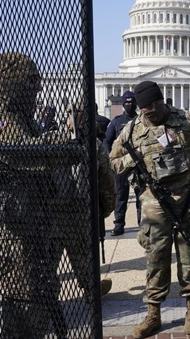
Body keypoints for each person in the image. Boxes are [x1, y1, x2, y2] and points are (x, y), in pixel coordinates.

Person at [0, 53, 75, 338]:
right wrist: (65, 140)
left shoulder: (21, 119)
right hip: (13, 235)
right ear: (14, 84)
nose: (37, 89)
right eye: (31, 82)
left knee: (38, 305)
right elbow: (27, 154)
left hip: (31, 228)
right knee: (23, 311)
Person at [109, 80, 190, 339]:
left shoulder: (186, 120)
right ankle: (153, 313)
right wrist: (133, 157)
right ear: (140, 107)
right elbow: (113, 162)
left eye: (158, 103)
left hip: (186, 198)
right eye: (149, 106)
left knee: (189, 257)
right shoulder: (131, 130)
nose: (155, 108)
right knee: (156, 258)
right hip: (154, 201)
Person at [52, 103, 118, 297]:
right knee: (83, 257)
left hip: (57, 210)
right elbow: (107, 182)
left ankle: (48, 294)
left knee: (50, 259)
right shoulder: (94, 145)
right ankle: (91, 290)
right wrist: (105, 209)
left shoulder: (53, 140)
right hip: (79, 209)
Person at [105, 91, 142, 236]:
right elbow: (107, 141)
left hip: (138, 165)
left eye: (132, 102)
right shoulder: (116, 122)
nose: (129, 105)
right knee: (121, 196)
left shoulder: (141, 120)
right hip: (122, 165)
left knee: (141, 196)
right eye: (127, 103)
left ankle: (142, 224)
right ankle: (119, 224)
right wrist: (111, 158)